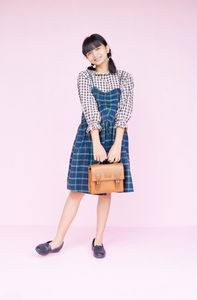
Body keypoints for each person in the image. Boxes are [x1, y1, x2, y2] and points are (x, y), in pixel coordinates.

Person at [35, 33, 134, 259]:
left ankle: (98, 240)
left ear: (107, 48)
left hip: (115, 137)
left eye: (97, 48)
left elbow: (125, 111)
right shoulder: (84, 77)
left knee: (105, 190)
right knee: (76, 190)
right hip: (89, 135)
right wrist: (97, 143)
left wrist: (117, 143)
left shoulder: (125, 77)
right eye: (89, 52)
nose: (95, 54)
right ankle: (57, 241)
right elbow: (90, 109)